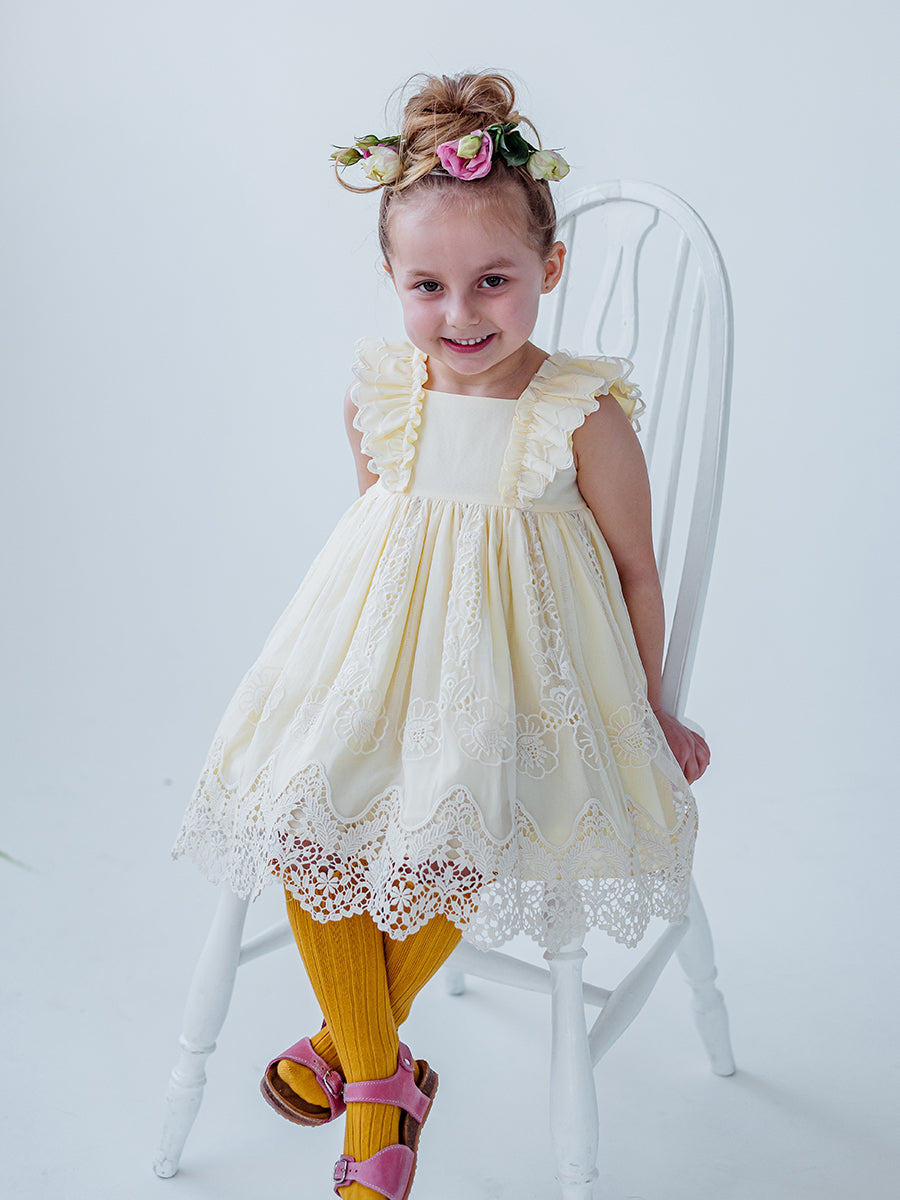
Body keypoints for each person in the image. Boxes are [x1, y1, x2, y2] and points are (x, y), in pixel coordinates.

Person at [174, 70, 710, 1200]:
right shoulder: (382, 391)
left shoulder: (581, 411)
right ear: (391, 279)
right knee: (308, 827)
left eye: (493, 281)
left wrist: (653, 708)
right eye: (429, 285)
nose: (461, 314)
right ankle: (384, 1072)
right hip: (382, 663)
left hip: (518, 685)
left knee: (452, 834)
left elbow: (635, 569)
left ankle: (362, 1079)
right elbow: (383, 543)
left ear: (550, 268)